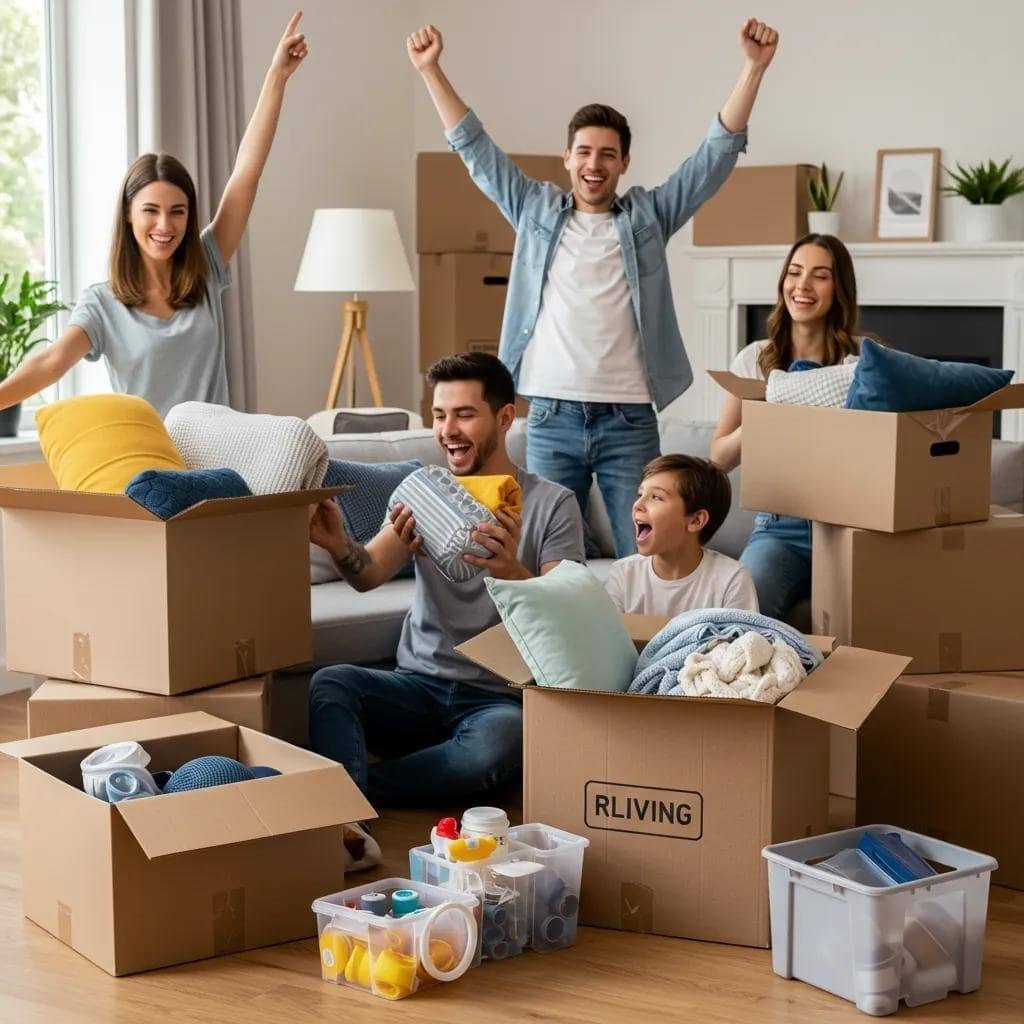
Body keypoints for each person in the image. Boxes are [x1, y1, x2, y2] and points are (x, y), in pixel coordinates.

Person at [407, 18, 779, 558]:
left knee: (648, 558)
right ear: (567, 158)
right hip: (551, 417)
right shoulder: (533, 210)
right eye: (583, 151)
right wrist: (430, 70)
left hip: (628, 419)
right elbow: (475, 149)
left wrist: (753, 68)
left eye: (607, 153)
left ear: (624, 162)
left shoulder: (649, 217)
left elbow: (712, 160)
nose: (594, 164)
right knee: (546, 559)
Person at [308, 352, 584, 857]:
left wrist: (512, 571)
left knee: (496, 746)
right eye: (439, 415)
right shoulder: (424, 493)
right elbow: (368, 574)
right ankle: (348, 821)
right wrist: (338, 543)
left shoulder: (552, 504)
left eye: (464, 414)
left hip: (497, 698)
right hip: (417, 684)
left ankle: (352, 795)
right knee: (332, 682)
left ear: (505, 417)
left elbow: (567, 614)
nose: (448, 431)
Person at [0, 12, 309, 417]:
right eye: (151, 211)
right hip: (150, 452)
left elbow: (246, 173)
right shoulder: (103, 303)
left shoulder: (206, 266)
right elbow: (51, 362)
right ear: (128, 215)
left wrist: (277, 76)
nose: (165, 225)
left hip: (218, 447)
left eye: (178, 212)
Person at [711, 233, 862, 619]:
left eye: (820, 276)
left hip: (850, 525)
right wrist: (768, 418)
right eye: (794, 273)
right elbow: (719, 458)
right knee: (740, 614)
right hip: (780, 528)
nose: (803, 285)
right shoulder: (755, 359)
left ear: (839, 289)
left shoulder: (860, 361)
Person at [605, 454, 758, 617]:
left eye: (656, 497)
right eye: (640, 494)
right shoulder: (623, 574)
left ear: (695, 521)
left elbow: (741, 633)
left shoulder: (732, 580)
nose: (638, 505)